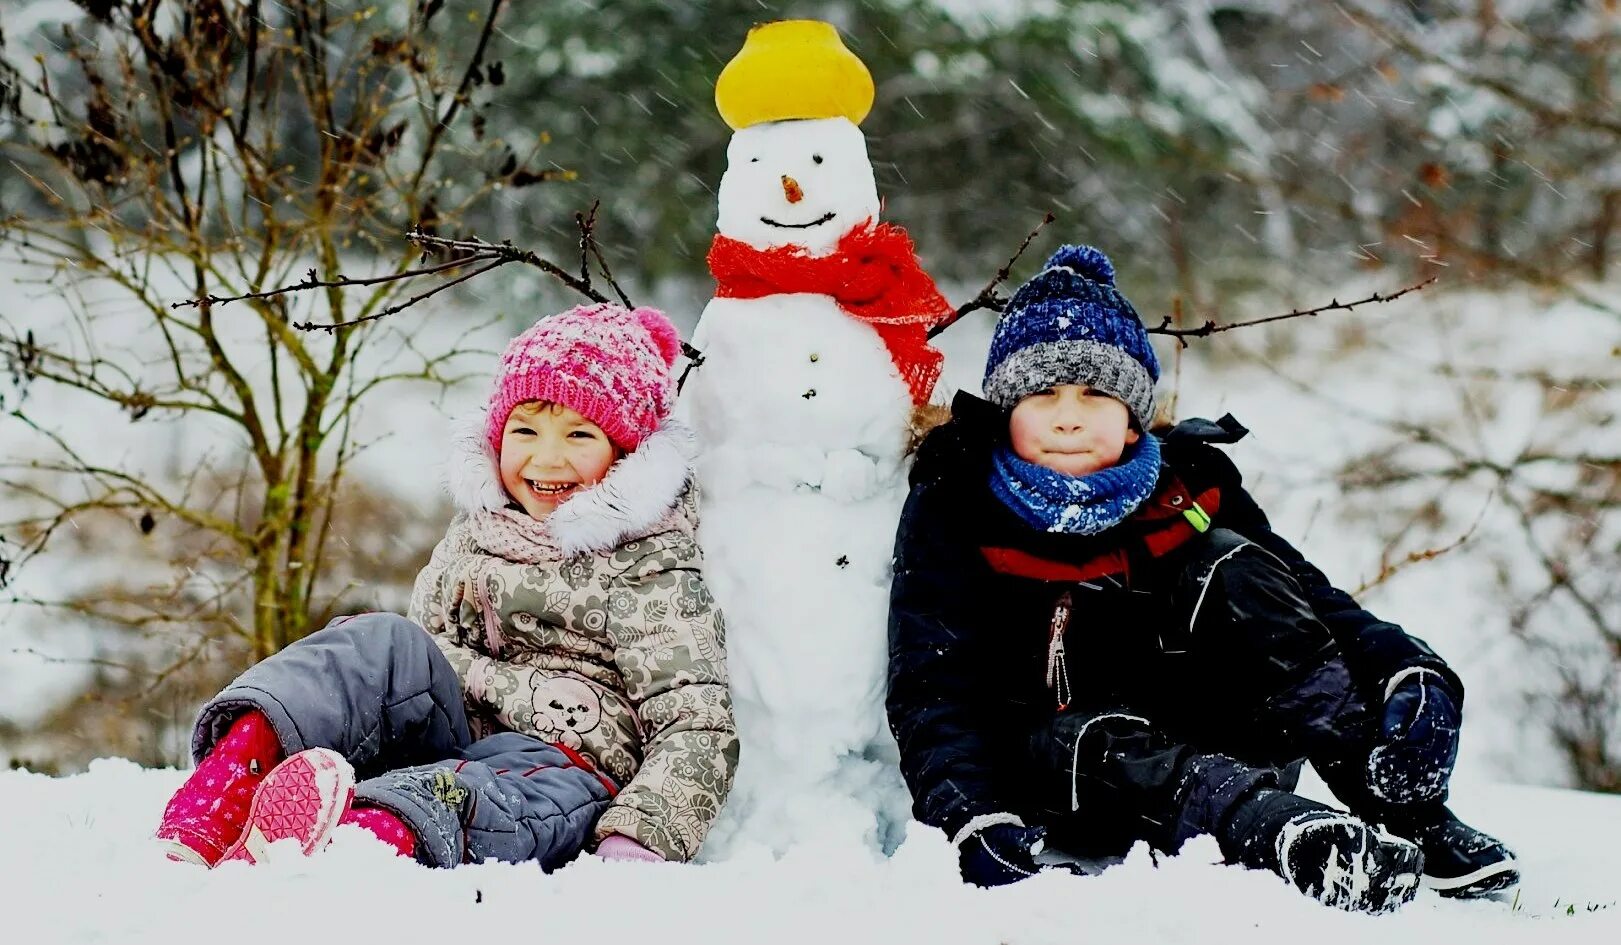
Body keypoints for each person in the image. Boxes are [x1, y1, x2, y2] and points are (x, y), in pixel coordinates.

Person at [886, 245, 1517, 912]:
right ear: (1006, 409)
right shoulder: (955, 502)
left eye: (1095, 393)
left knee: (1233, 564)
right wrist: (969, 814)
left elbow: (1309, 599)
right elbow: (929, 685)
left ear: (1131, 417)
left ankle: (1398, 803)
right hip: (1060, 765)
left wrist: (1407, 670)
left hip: (1199, 726)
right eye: (1042, 394)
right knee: (1100, 736)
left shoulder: (1188, 483)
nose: (1068, 415)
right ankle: (1287, 836)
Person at [153, 302, 738, 869]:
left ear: (626, 451)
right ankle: (228, 789)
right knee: (380, 640)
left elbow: (695, 721)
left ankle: (353, 842)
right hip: (456, 726)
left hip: (567, 766)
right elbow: (420, 658)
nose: (546, 457)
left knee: (472, 795)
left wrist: (640, 837)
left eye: (579, 435)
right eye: (525, 430)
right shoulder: (479, 531)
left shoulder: (651, 565)